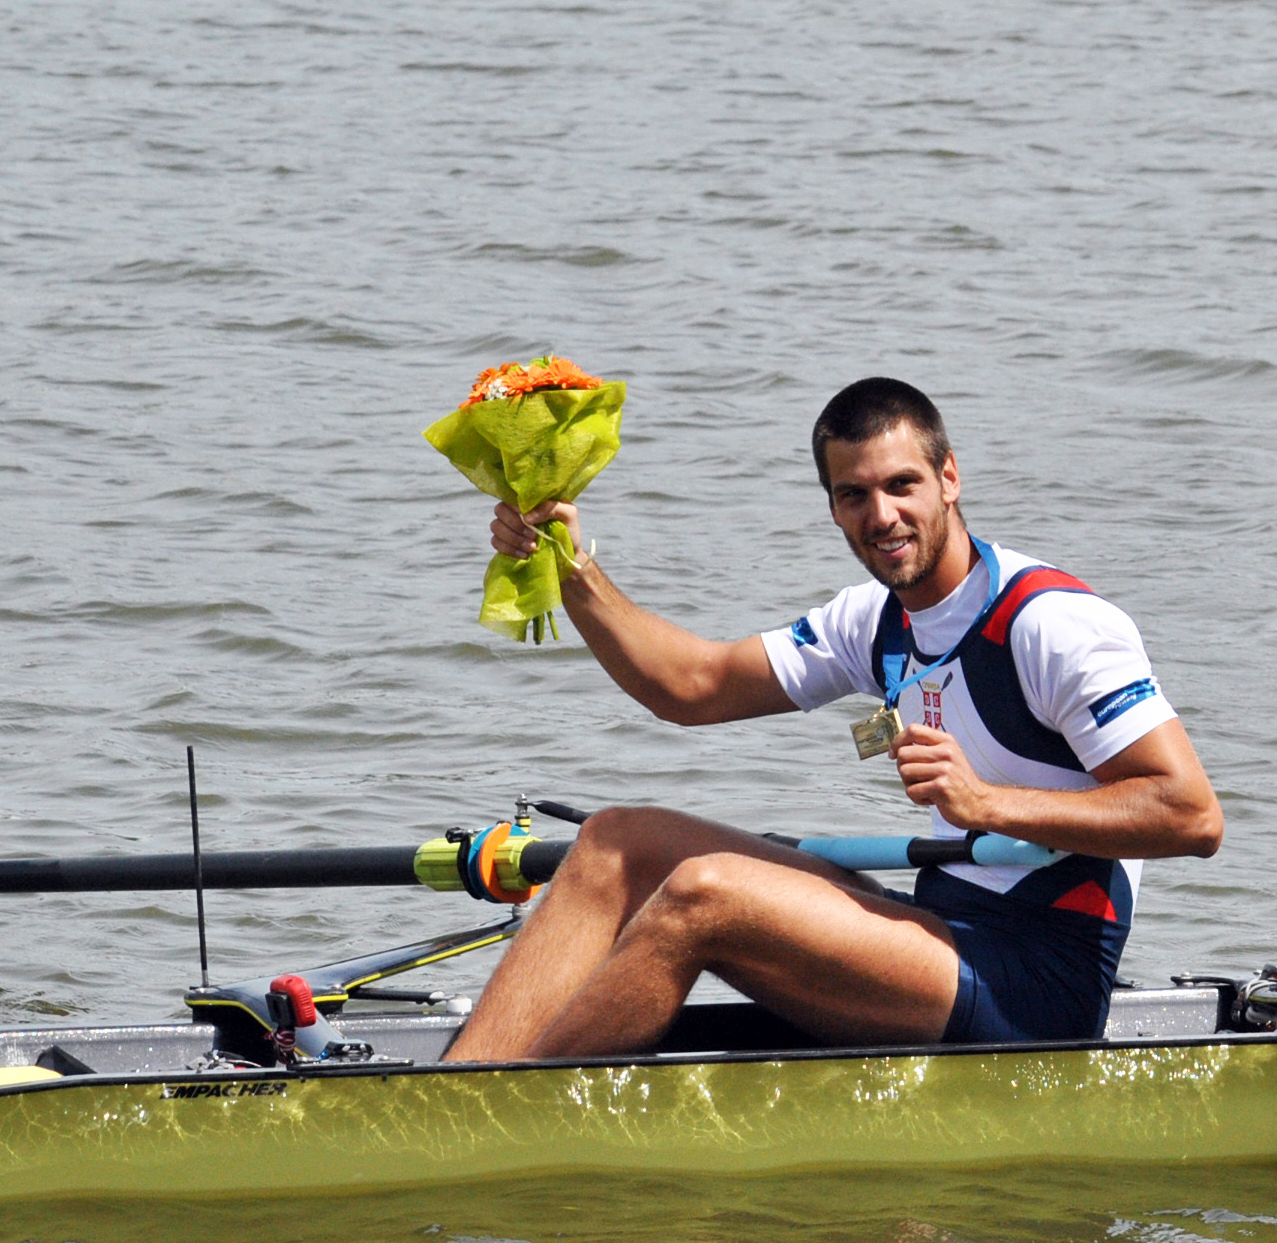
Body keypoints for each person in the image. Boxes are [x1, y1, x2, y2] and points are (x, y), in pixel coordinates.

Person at [446, 377, 1223, 1061]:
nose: (881, 516)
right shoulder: (871, 620)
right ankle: (453, 1093)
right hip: (940, 927)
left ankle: (510, 1118)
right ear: (832, 507)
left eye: (902, 485)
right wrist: (569, 564)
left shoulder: (1050, 624)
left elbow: (1190, 815)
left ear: (949, 479)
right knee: (619, 840)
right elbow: (690, 685)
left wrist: (989, 805)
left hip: (1037, 981)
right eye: (853, 495)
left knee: (703, 893)